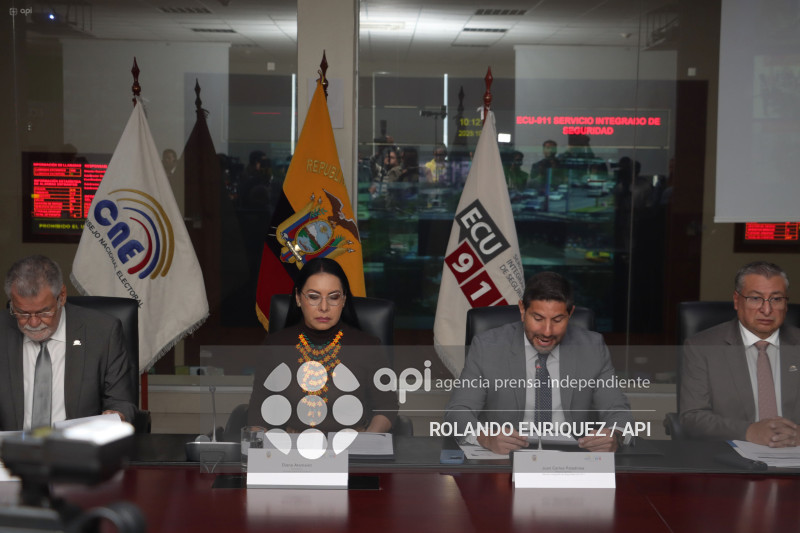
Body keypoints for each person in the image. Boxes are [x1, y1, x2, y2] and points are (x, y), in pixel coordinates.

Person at [445, 272, 633, 454]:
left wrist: (615, 435)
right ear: (522, 310)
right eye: (538, 318)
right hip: (506, 460)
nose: (547, 332)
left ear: (570, 314)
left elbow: (618, 411)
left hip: (572, 460)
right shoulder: (487, 347)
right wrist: (485, 437)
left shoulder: (592, 347)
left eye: (558, 320)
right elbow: (458, 412)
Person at [247, 258, 397, 433]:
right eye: (313, 297)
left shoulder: (367, 346)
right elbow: (258, 410)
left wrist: (366, 442)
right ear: (298, 298)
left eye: (333, 297)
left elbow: (387, 406)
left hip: (351, 451)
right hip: (293, 453)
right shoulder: (276, 345)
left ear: (343, 300)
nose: (324, 307)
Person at [0, 255, 136, 431]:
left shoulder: (102, 332)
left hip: (78, 450)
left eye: (44, 312)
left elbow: (121, 401)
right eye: (22, 313)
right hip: (10, 453)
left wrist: (115, 414)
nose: (33, 323)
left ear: (61, 296)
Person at [680, 261, 800, 446]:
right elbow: (692, 418)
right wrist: (749, 431)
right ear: (737, 301)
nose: (766, 310)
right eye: (755, 298)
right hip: (730, 459)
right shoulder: (702, 348)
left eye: (776, 299)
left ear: (786, 303)